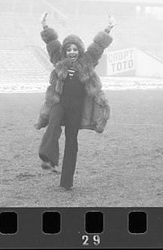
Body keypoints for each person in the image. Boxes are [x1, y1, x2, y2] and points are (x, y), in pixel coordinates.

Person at [34, 12, 113, 190]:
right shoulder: (58, 61)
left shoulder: (87, 61)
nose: (71, 52)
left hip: (77, 108)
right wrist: (45, 26)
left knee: (72, 142)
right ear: (65, 52)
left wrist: (108, 28)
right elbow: (52, 43)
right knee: (53, 123)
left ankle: (66, 182)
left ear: (79, 50)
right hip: (59, 103)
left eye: (75, 49)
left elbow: (98, 46)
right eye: (68, 49)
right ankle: (48, 158)